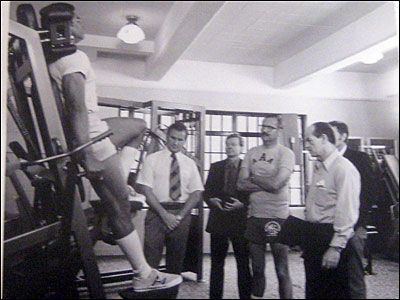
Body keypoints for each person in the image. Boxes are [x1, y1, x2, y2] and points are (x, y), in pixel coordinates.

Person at [41, 3, 182, 292]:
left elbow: (79, 111)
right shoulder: (74, 58)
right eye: (76, 19)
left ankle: (124, 182)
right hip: (91, 140)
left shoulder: (55, 60)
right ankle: (144, 273)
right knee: (119, 210)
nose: (81, 22)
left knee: (137, 127)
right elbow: (77, 110)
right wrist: (85, 155)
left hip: (92, 132)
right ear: (64, 26)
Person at [238, 114, 295, 299]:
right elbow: (240, 184)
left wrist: (253, 178)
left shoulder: (285, 153)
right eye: (263, 126)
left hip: (278, 217)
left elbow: (276, 184)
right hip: (255, 217)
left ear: (279, 130)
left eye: (270, 127)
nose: (264, 130)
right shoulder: (251, 152)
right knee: (257, 268)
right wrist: (266, 182)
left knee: (282, 270)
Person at [135, 122, 204, 274]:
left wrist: (179, 216)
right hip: (156, 213)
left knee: (176, 263)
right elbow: (146, 189)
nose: (175, 142)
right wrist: (164, 215)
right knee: (150, 261)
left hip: (181, 214)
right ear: (166, 137)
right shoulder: (152, 159)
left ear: (185, 141)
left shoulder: (190, 163)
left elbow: (197, 193)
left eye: (180, 139)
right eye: (173, 137)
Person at [303, 122, 361, 299]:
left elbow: (347, 212)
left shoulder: (343, 169)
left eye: (309, 140)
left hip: (330, 239)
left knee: (334, 292)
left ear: (324, 138)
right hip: (315, 237)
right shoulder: (319, 167)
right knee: (314, 291)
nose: (306, 145)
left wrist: (335, 248)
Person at [329, 121, 376, 299]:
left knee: (354, 275)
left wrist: (357, 224)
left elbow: (370, 194)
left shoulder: (359, 158)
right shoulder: (327, 160)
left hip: (355, 226)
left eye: (332, 133)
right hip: (332, 226)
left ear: (343, 136)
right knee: (334, 277)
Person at [204, 133, 252, 299]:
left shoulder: (248, 168)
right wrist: (211, 200)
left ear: (241, 147)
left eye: (233, 144)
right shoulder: (215, 166)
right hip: (219, 219)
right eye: (227, 144)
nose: (229, 147)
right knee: (217, 264)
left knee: (243, 263)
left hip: (240, 221)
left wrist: (243, 205)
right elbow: (206, 191)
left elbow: (253, 193)